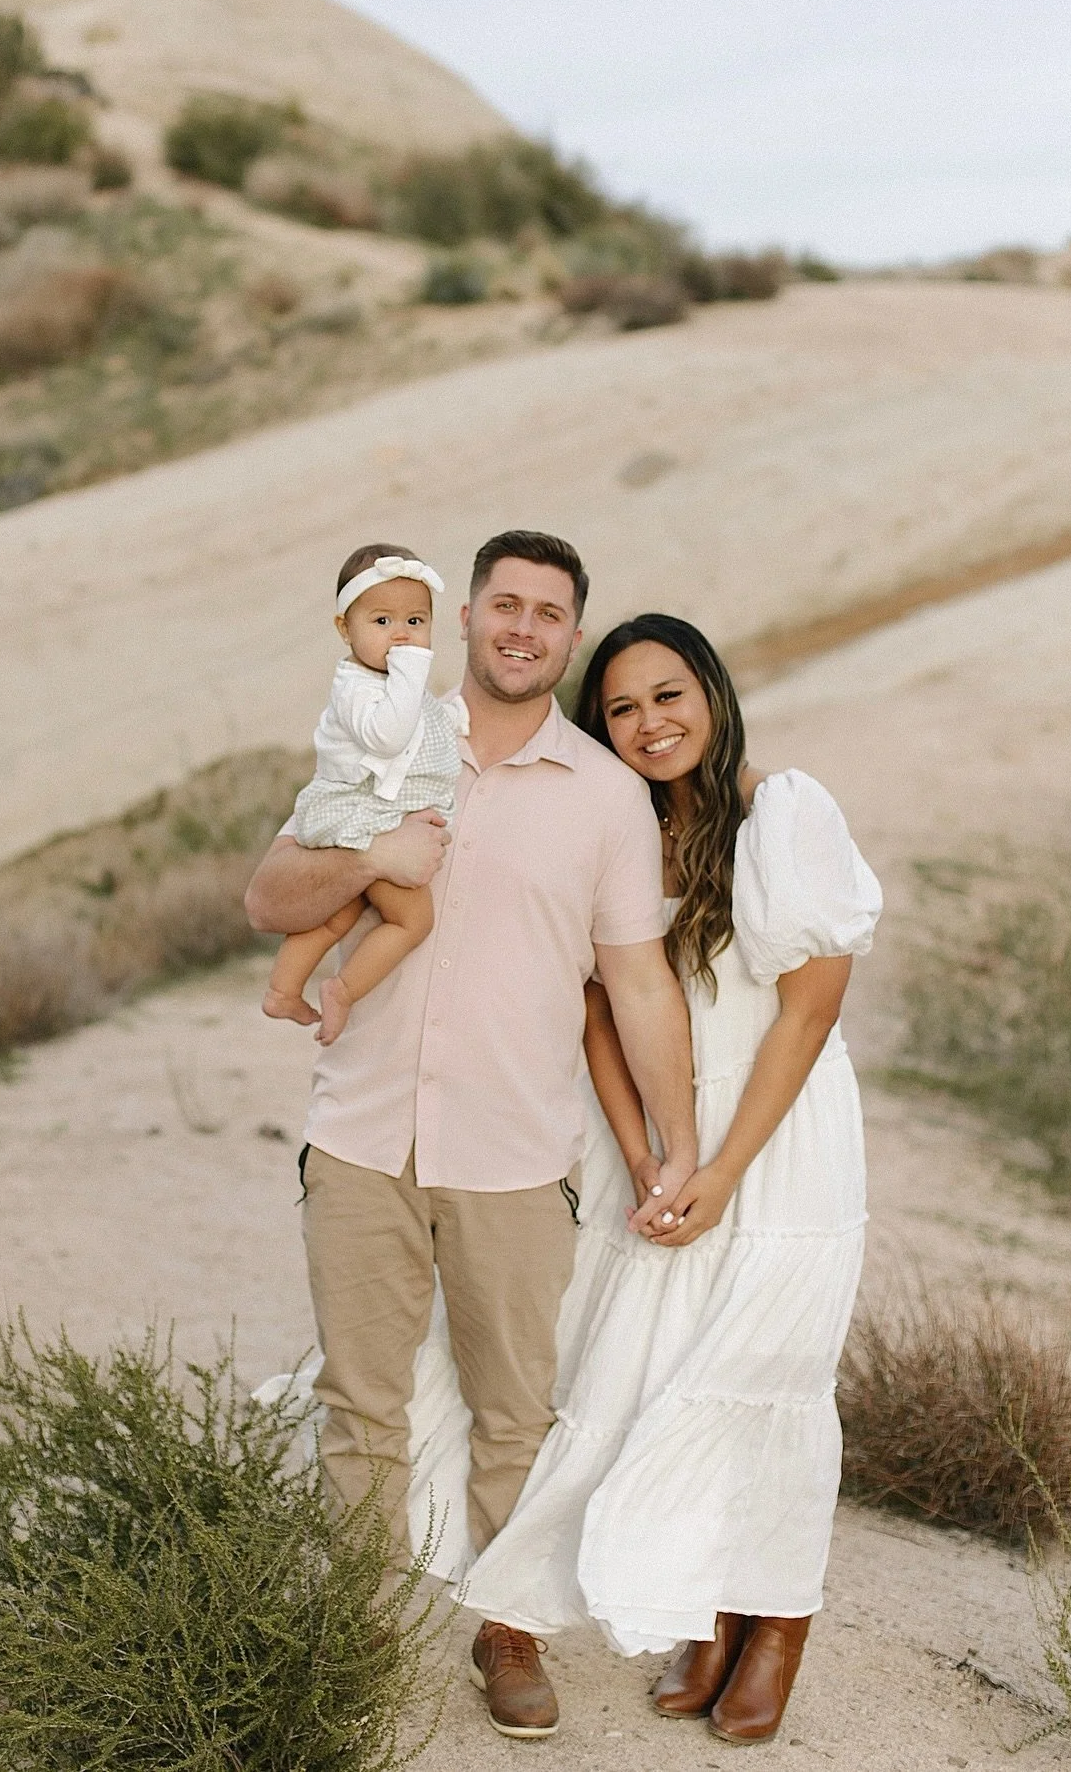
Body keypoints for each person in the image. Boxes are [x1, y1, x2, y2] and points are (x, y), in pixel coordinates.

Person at [243, 533, 699, 1742]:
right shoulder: (384, 736)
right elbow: (270, 900)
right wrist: (369, 853)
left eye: (550, 613)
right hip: (362, 1141)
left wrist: (682, 1144)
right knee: (361, 1405)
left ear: (569, 636)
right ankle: (351, 1628)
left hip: (512, 1153)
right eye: (505, 603)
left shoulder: (607, 796)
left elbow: (639, 985)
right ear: (466, 618)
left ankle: (511, 1631)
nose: (523, 627)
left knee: (515, 1414)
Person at [459, 613, 883, 1746]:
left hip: (780, 1134)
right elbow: (595, 1009)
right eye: (622, 708)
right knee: (657, 1370)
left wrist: (728, 1165)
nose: (649, 723)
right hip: (658, 1134)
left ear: (711, 690)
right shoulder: (616, 832)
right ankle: (706, 1607)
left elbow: (811, 1006)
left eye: (667, 695)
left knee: (766, 1373)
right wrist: (649, 1148)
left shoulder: (783, 811)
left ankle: (777, 1619)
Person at [262, 544, 466, 1046]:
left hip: (372, 813)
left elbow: (422, 725)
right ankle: (345, 990)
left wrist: (450, 716)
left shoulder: (394, 686)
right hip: (359, 815)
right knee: (414, 919)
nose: (401, 634)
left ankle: (283, 989)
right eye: (381, 621)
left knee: (341, 911)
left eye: (416, 621)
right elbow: (389, 737)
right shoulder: (356, 686)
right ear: (344, 630)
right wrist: (414, 669)